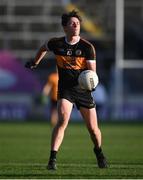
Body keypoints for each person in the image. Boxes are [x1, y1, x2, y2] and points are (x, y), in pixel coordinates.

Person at [25, 10, 108, 170]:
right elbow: (43, 48)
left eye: (78, 23)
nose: (76, 25)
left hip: (83, 91)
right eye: (72, 23)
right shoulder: (57, 43)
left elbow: (92, 74)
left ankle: (99, 152)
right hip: (66, 90)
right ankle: (52, 159)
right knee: (62, 120)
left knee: (93, 129)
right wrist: (35, 62)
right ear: (65, 27)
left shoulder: (87, 47)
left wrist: (91, 82)